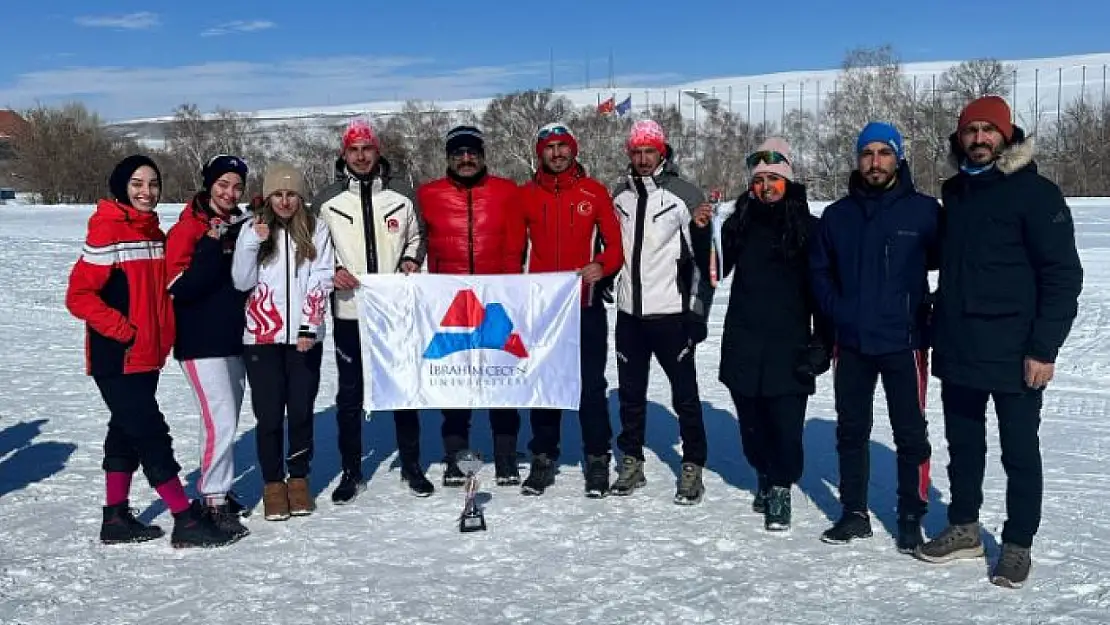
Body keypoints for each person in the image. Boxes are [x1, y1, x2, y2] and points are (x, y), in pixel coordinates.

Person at [914, 96, 1083, 588]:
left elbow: (1062, 276)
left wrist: (1044, 349)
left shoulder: (1037, 195)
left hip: (1016, 350)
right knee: (963, 446)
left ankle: (1017, 544)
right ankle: (964, 528)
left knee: (1019, 453)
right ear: (960, 138)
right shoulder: (955, 192)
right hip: (959, 342)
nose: (981, 138)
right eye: (972, 131)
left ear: (1007, 136)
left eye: (990, 130)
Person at [66, 155, 238, 548]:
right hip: (119, 355)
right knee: (151, 434)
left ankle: (115, 517)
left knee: (124, 433)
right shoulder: (107, 231)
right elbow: (79, 295)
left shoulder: (153, 232)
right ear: (122, 186)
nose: (147, 192)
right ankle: (185, 519)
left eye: (153, 184)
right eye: (138, 184)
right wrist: (123, 331)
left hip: (147, 355)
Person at [809, 122, 938, 552]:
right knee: (851, 430)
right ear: (858, 159)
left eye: (884, 153)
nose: (875, 161)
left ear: (898, 158)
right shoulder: (838, 216)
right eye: (868, 154)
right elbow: (819, 272)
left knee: (910, 432)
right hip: (853, 343)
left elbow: (957, 264)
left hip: (905, 341)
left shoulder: (924, 211)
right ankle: (854, 513)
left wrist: (932, 308)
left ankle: (909, 514)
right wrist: (837, 310)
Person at [716, 138, 831, 530]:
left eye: (774, 178)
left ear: (788, 182)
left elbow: (823, 292)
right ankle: (763, 473)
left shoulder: (809, 229)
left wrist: (823, 342)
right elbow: (713, 270)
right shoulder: (739, 224)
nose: (766, 186)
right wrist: (700, 232)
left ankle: (781, 485)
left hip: (789, 344)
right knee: (750, 426)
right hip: (745, 341)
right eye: (760, 179)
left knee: (785, 427)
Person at [314, 118, 427, 503]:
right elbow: (312, 252)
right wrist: (333, 271)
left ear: (378, 151)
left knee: (402, 389)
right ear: (344, 154)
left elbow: (417, 237)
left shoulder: (402, 195)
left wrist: (412, 260)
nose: (361, 156)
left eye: (367, 149)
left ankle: (411, 466)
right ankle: (352, 471)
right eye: (353, 150)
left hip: (394, 312)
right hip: (350, 313)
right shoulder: (327, 200)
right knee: (350, 393)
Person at [508, 122, 623, 497]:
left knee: (590, 385)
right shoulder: (526, 196)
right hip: (542, 309)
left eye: (563, 146)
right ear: (539, 153)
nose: (557, 153)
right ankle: (543, 455)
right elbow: (514, 253)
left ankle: (597, 457)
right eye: (549, 147)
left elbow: (615, 248)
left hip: (585, 305)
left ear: (574, 150)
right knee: (544, 383)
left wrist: (601, 266)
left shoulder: (594, 192)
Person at [609, 120, 714, 504]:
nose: (642, 159)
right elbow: (610, 246)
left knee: (685, 395)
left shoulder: (684, 194)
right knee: (631, 395)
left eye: (649, 151)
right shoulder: (619, 194)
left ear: (662, 151)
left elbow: (704, 261)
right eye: (636, 152)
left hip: (671, 314)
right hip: (629, 316)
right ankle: (632, 460)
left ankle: (692, 465)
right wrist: (608, 283)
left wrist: (697, 314)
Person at [416, 125, 524, 487]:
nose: (466, 158)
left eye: (472, 152)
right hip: (451, 302)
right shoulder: (429, 194)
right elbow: (418, 243)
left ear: (483, 154)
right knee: (455, 384)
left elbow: (514, 244)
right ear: (448, 156)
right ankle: (455, 456)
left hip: (496, 299)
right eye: (459, 152)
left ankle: (506, 456)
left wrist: (509, 290)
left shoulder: (506, 192)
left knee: (502, 379)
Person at [232, 162, 334, 521]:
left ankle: (299, 480)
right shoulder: (252, 229)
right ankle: (273, 483)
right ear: (269, 196)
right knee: (270, 415)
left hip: (305, 339)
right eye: (279, 194)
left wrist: (309, 326)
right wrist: (249, 243)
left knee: (302, 411)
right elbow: (241, 281)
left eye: (292, 194)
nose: (286, 201)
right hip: (261, 337)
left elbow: (322, 278)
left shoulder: (317, 228)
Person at [165, 154, 251, 538]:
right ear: (208, 185)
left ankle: (221, 490)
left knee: (225, 418)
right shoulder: (188, 229)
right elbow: (178, 288)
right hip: (199, 341)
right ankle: (212, 499)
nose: (230, 193)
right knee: (221, 419)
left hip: (233, 336)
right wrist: (213, 247)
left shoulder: (238, 224)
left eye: (236, 187)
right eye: (222, 185)